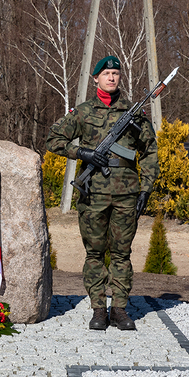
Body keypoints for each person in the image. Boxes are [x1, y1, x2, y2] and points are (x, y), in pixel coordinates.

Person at [46, 55, 158, 330]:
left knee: (121, 254)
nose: (111, 77)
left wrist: (146, 188)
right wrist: (82, 152)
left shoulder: (134, 113)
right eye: (106, 73)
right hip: (94, 193)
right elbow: (53, 140)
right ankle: (98, 309)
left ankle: (119, 309)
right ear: (95, 78)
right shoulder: (83, 112)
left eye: (115, 73)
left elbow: (150, 152)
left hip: (126, 193)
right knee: (94, 254)